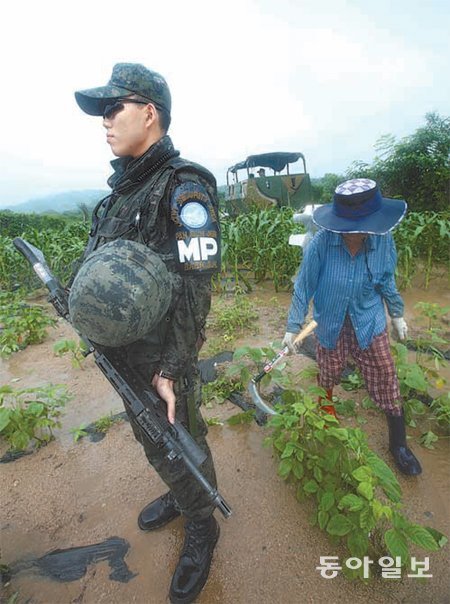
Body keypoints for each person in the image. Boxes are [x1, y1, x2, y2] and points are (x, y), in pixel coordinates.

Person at [73, 63, 222, 603]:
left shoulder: (184, 186)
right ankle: (182, 497)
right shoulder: (117, 197)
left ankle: (203, 526)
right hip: (123, 354)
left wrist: (174, 367)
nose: (105, 122)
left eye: (114, 109)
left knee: (181, 439)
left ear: (149, 113)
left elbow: (194, 289)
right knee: (153, 442)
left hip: (162, 357)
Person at [282, 178, 422, 476]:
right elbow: (303, 287)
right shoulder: (321, 244)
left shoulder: (382, 239)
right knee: (328, 372)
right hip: (329, 322)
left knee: (386, 374)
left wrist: (396, 314)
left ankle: (399, 444)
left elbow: (386, 279)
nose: (359, 231)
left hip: (368, 320)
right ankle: (327, 417)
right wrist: (292, 328)